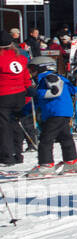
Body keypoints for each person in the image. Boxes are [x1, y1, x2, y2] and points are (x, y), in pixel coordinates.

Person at [26, 56, 77, 176]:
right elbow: (73, 90)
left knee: (46, 139)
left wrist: (36, 92)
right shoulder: (56, 78)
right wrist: (22, 111)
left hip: (55, 112)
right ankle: (71, 162)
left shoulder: (49, 77)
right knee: (65, 137)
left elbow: (55, 92)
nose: (31, 73)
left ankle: (46, 165)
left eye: (32, 69)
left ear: (43, 68)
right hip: (63, 112)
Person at [0, 37, 34, 166]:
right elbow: (26, 77)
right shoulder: (20, 58)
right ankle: (17, 153)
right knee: (16, 124)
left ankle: (7, 155)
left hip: (4, 95)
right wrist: (29, 89)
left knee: (4, 127)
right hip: (20, 94)